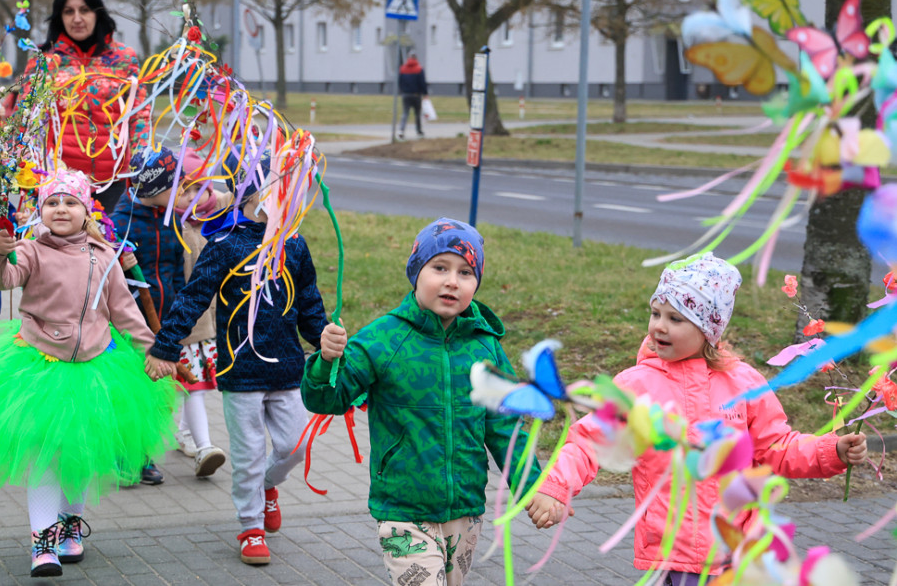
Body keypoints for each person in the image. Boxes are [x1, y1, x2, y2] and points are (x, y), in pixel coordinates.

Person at [525, 253, 869, 585]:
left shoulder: (743, 383)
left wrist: (831, 451)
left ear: (708, 329)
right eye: (656, 313)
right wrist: (556, 487)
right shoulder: (635, 385)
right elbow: (589, 442)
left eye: (676, 319)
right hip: (672, 555)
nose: (659, 325)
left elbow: (776, 447)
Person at [0, 169, 178, 577]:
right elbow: (1, 279)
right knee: (47, 457)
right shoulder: (31, 250)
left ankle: (70, 527)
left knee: (80, 454)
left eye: (70, 202)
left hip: (94, 369)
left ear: (87, 211)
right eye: (52, 202)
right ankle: (42, 543)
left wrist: (151, 351)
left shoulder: (104, 256)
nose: (60, 209)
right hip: (41, 366)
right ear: (40, 210)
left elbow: (125, 312)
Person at [303, 218, 542, 586]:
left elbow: (505, 428)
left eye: (465, 272)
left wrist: (534, 487)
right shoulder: (384, 339)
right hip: (403, 509)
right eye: (440, 268)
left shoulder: (485, 347)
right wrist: (326, 362)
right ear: (416, 271)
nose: (452, 281)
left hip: (464, 508)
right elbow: (326, 400)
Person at [147, 174, 329, 565]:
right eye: (280, 193)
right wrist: (165, 347)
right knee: (247, 454)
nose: (289, 202)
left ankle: (267, 487)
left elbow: (310, 304)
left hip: (287, 369)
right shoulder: (225, 245)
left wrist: (326, 343)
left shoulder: (293, 245)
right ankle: (250, 526)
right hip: (240, 369)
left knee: (296, 446)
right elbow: (193, 298)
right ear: (253, 197)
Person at [33, 0, 150, 213]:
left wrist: (141, 165)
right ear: (60, 16)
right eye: (69, 11)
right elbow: (27, 123)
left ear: (97, 12)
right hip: (62, 187)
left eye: (84, 10)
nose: (77, 18)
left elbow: (140, 115)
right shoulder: (45, 62)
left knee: (112, 247)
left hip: (116, 181)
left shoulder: (124, 58)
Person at [110, 147, 190, 486]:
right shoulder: (120, 223)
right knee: (130, 391)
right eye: (176, 186)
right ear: (153, 187)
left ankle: (144, 453)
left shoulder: (170, 219)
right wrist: (120, 263)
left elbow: (176, 270)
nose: (181, 192)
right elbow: (102, 276)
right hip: (129, 325)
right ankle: (124, 454)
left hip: (165, 320)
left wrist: (180, 315)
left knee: (157, 391)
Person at [169, 167, 231, 478]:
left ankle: (186, 433)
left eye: (198, 190)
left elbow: (241, 193)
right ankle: (204, 445)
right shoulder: (170, 227)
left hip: (206, 322)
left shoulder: (210, 216)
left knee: (196, 385)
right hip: (181, 325)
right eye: (184, 192)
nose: (192, 198)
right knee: (192, 386)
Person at [398, 53, 427, 140]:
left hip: (406, 94)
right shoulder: (419, 69)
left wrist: (402, 90)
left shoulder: (402, 69)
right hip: (416, 95)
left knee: (405, 113)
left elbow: (400, 81)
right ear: (416, 59)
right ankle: (418, 131)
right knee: (417, 114)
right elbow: (422, 83)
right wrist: (425, 93)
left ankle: (401, 130)